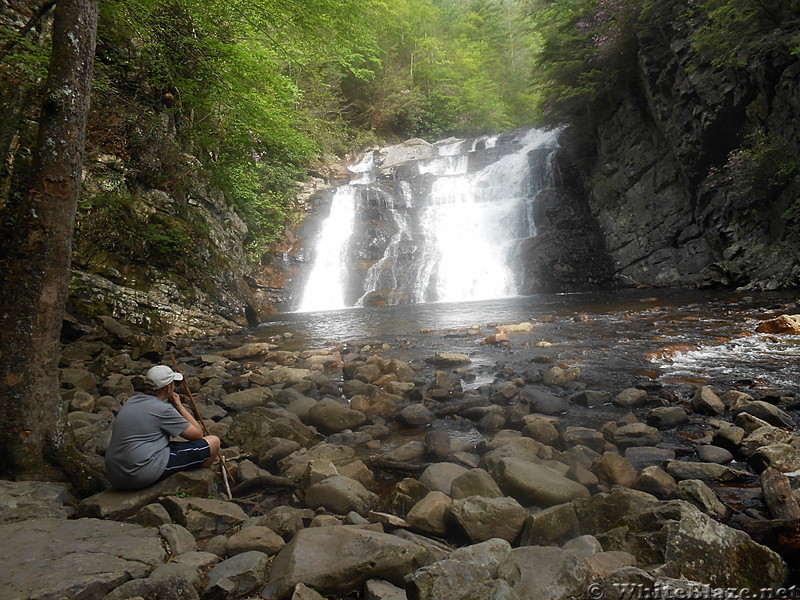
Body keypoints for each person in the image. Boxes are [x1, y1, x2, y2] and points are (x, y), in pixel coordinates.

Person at [105, 364, 220, 490]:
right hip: (137, 474)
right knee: (214, 442)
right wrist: (179, 405)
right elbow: (197, 435)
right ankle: (203, 480)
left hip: (114, 474)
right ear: (169, 388)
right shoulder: (164, 410)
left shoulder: (132, 401)